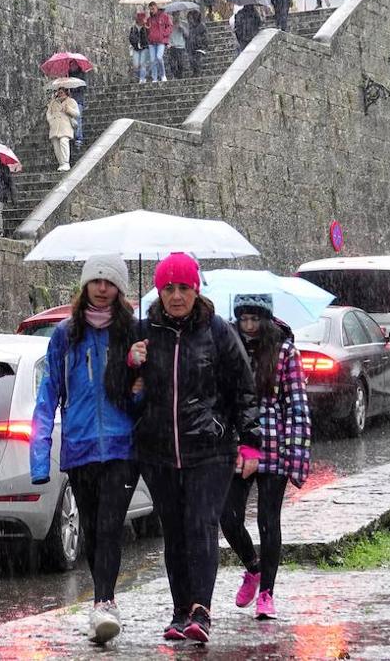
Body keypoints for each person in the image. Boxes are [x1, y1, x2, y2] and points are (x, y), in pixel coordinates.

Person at [127, 252, 261, 644]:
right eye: (168, 288)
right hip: (159, 451)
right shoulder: (143, 330)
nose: (176, 295)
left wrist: (250, 443)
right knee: (175, 533)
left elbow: (244, 389)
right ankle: (180, 610)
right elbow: (117, 390)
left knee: (201, 524)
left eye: (183, 287)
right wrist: (129, 365)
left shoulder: (217, 331)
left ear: (195, 289)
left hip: (210, 448)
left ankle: (202, 609)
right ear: (159, 290)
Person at [31, 255, 140, 645]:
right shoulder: (65, 335)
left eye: (109, 282)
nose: (102, 287)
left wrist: (139, 373)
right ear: (85, 287)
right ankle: (101, 604)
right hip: (79, 449)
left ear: (120, 289)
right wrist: (40, 456)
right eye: (95, 281)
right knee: (92, 530)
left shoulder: (133, 333)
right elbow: (47, 397)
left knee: (111, 525)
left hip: (123, 448)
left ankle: (104, 602)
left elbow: (146, 399)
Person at [219, 294, 312, 623]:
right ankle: (253, 569)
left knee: (268, 522)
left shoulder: (285, 352)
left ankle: (267, 593)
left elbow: (297, 406)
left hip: (275, 448)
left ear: (266, 320)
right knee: (227, 516)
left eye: (254, 320)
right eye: (243, 320)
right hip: (240, 448)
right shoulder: (230, 349)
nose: (248, 327)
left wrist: (297, 456)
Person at [46, 86, 80, 172]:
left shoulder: (71, 101)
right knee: (56, 146)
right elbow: (48, 113)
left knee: (64, 141)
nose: (60, 94)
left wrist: (68, 110)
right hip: (55, 126)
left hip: (65, 126)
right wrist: (51, 121)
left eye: (61, 92)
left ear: (66, 92)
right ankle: (61, 163)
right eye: (58, 92)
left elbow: (77, 114)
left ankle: (65, 163)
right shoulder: (53, 102)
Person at [145, 2, 173, 83]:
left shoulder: (164, 16)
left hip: (161, 41)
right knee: (153, 60)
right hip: (152, 42)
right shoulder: (149, 19)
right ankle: (155, 78)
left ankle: (163, 75)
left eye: (153, 9)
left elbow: (170, 26)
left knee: (159, 57)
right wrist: (145, 25)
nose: (151, 10)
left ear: (156, 7)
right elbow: (146, 30)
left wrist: (164, 34)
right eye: (150, 9)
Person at [67, 58, 91, 150]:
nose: (72, 66)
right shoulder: (68, 75)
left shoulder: (81, 75)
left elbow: (83, 87)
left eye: (74, 64)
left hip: (78, 100)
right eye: (71, 64)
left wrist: (74, 87)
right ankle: (72, 136)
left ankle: (79, 138)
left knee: (78, 119)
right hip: (70, 100)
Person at [185, 9, 209, 77]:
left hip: (199, 48)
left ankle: (198, 73)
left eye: (191, 18)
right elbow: (189, 37)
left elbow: (205, 38)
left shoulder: (202, 26)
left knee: (197, 61)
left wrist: (200, 43)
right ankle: (194, 72)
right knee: (191, 61)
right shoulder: (191, 27)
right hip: (191, 47)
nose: (190, 20)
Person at [129, 12, 150, 84]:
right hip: (136, 49)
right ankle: (140, 76)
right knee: (136, 64)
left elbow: (147, 38)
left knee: (142, 63)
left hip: (144, 48)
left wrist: (145, 29)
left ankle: (142, 78)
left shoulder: (146, 28)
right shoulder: (133, 28)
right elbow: (131, 38)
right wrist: (136, 43)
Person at [167, 11, 187, 78]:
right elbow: (167, 34)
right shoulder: (169, 24)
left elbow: (187, 35)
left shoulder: (183, 23)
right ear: (173, 16)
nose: (176, 17)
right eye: (175, 15)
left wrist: (182, 29)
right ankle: (175, 75)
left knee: (180, 63)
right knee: (172, 63)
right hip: (172, 46)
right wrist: (168, 43)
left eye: (177, 15)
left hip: (181, 46)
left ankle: (180, 76)